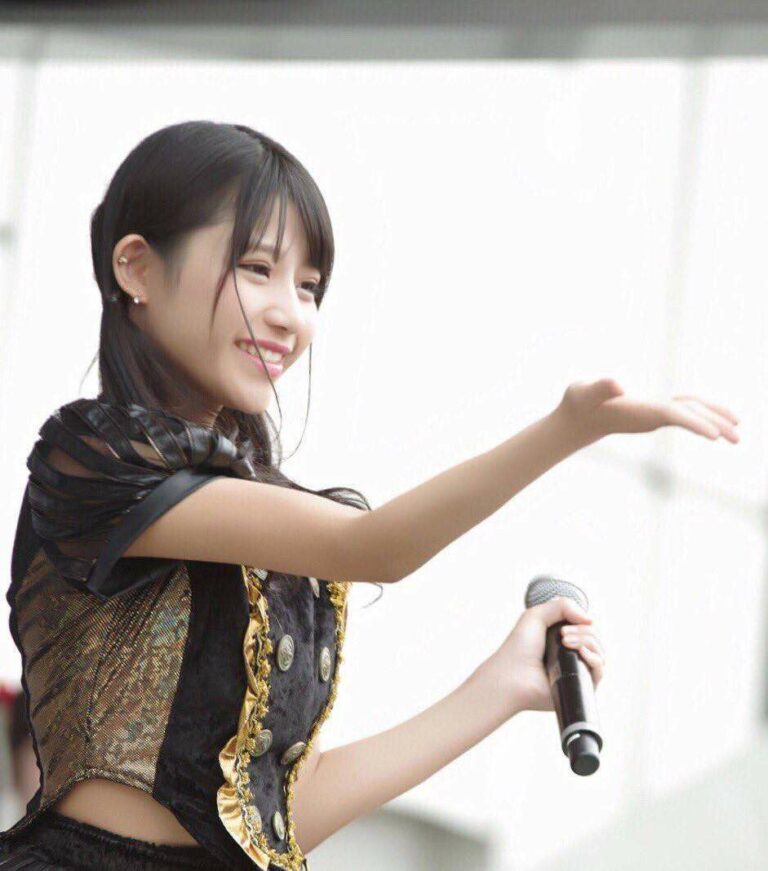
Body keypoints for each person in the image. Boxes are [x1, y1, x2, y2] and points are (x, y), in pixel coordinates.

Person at [0, 120, 739, 870]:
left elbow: (275, 821)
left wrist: (501, 686)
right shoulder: (92, 461)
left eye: (309, 286)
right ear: (137, 267)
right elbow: (371, 546)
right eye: (257, 269)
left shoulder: (244, 512)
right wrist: (566, 429)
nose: (291, 314)